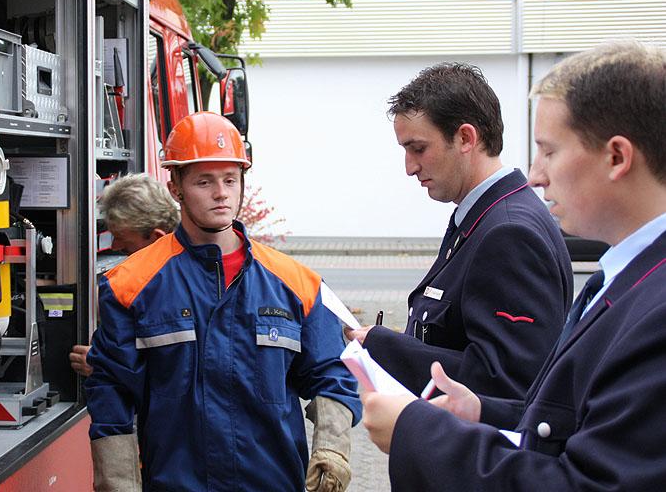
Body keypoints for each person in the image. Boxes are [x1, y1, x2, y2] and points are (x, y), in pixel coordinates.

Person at [362, 40, 666, 490]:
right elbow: (562, 418)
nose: (537, 174)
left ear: (617, 157)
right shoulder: (619, 278)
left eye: (549, 151)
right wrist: (481, 412)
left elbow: (587, 480)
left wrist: (417, 431)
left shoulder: (653, 307)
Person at [85, 112, 361, 492]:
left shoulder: (298, 285)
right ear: (176, 186)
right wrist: (118, 484)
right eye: (204, 181)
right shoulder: (130, 285)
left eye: (230, 180)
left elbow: (334, 373)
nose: (221, 193)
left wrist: (333, 448)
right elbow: (111, 392)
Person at [346, 63, 572, 400]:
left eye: (418, 148)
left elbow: (506, 383)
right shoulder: (482, 217)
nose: (409, 168)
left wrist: (384, 347)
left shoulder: (508, 234)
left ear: (465, 138)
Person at [70, 173, 180, 377]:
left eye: (121, 238)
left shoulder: (172, 290)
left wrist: (102, 367)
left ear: (157, 237)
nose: (115, 246)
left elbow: (174, 373)